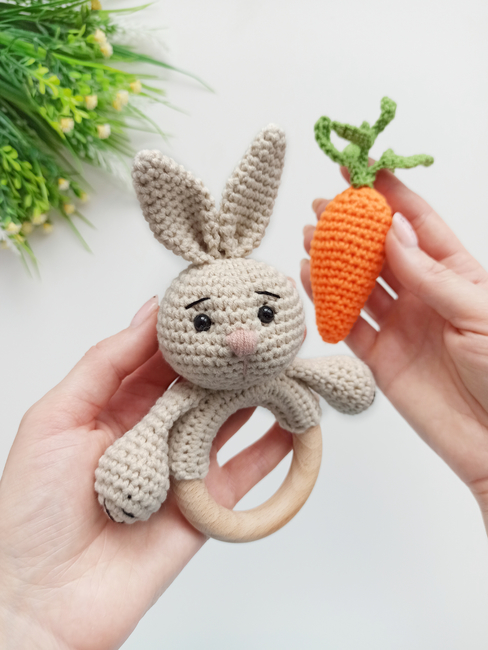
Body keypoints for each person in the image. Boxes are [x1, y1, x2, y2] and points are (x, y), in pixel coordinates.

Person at [1, 167, 487, 649]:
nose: (241, 340)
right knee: (145, 452)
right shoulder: (188, 391)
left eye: (266, 313)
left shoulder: (280, 369)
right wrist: (23, 608)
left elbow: (340, 384)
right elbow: (159, 421)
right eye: (204, 322)